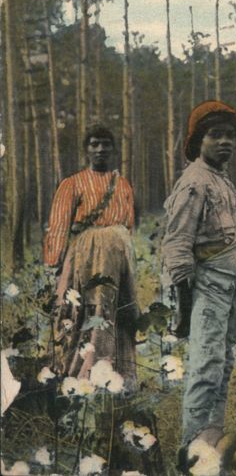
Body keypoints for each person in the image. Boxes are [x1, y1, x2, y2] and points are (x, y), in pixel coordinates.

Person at [162, 100, 236, 469]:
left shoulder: (220, 178)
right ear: (198, 140)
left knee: (223, 360)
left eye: (230, 136)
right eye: (215, 135)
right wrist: (184, 301)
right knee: (204, 365)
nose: (224, 142)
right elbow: (177, 244)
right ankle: (192, 452)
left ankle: (210, 441)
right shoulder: (195, 182)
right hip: (209, 286)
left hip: (232, 284)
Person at [44, 124, 139, 390]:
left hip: (118, 258)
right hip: (86, 257)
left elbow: (128, 224)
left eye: (106, 144)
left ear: (113, 150)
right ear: (86, 150)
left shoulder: (123, 185)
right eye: (94, 144)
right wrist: (55, 261)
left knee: (118, 311)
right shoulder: (72, 184)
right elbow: (59, 225)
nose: (100, 150)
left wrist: (122, 251)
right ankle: (79, 374)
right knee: (81, 310)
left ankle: (117, 375)